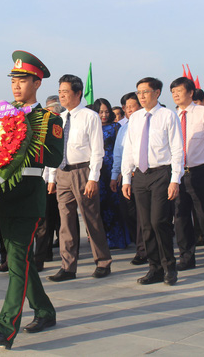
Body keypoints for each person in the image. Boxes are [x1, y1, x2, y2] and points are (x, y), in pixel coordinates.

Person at [0, 50, 63, 350]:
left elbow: (55, 157)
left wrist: (26, 138)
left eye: (23, 80)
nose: (16, 86)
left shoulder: (46, 117)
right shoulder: (1, 114)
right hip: (3, 196)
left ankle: (5, 327)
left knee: (16, 259)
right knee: (20, 259)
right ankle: (45, 310)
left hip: (28, 194)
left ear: (37, 83)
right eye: (13, 80)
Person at [47, 74, 112, 282]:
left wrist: (93, 178)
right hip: (63, 173)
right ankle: (68, 267)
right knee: (65, 222)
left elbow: (97, 151)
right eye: (59, 92)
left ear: (77, 93)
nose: (61, 96)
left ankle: (102, 261)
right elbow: (55, 150)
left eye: (65, 92)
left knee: (91, 218)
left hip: (83, 172)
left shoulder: (89, 117)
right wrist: (51, 178)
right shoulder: (60, 118)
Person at [121, 77, 183, 285]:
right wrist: (126, 178)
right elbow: (129, 149)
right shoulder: (135, 118)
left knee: (159, 222)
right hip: (140, 176)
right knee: (146, 225)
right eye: (139, 92)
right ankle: (154, 268)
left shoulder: (168, 116)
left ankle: (169, 266)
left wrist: (175, 179)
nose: (141, 96)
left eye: (145, 92)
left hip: (161, 174)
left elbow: (177, 149)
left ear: (157, 93)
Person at [171, 77, 204, 269]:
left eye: (179, 90)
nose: (176, 95)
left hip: (201, 170)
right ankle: (187, 257)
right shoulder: (172, 116)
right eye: (173, 92)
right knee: (180, 216)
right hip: (178, 173)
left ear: (190, 92)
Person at [111, 92, 147, 265]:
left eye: (133, 106)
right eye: (127, 107)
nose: (130, 110)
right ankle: (141, 243)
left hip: (144, 175)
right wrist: (114, 175)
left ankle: (143, 250)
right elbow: (118, 154)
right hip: (126, 177)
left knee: (143, 215)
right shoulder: (123, 128)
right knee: (129, 213)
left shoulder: (148, 125)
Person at [91, 97, 129, 249]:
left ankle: (118, 239)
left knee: (115, 205)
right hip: (96, 171)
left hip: (112, 170)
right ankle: (102, 239)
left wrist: (119, 171)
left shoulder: (116, 127)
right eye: (100, 112)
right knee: (98, 206)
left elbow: (122, 149)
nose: (104, 115)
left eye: (107, 112)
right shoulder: (92, 127)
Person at [34, 95, 64, 271]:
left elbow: (54, 155)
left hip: (50, 178)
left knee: (46, 221)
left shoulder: (57, 122)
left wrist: (51, 179)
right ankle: (43, 253)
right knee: (42, 220)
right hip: (39, 177)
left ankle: (41, 257)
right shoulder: (37, 120)